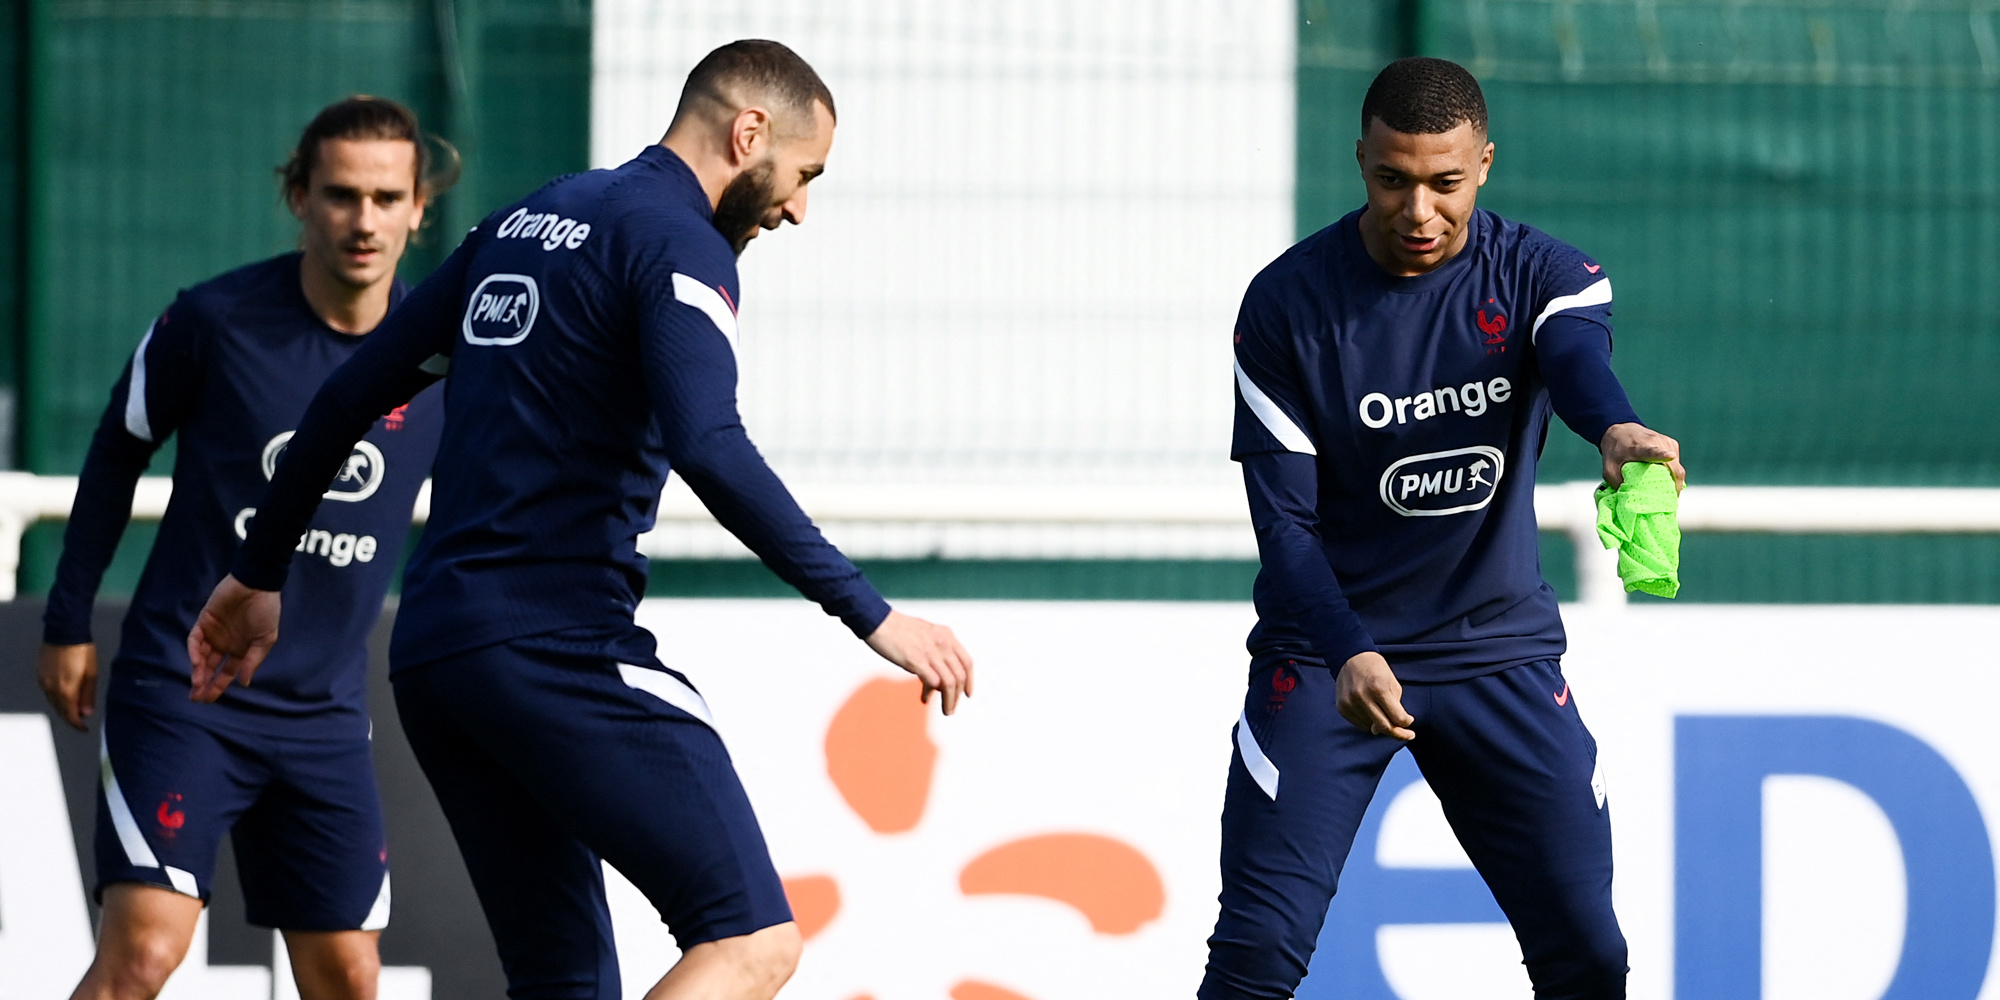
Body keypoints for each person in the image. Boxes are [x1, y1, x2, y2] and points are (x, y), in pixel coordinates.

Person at [186, 40, 974, 1000]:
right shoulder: (678, 241)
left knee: (562, 978)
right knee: (751, 942)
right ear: (749, 132)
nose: (800, 207)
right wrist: (872, 613)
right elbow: (711, 445)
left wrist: (259, 573)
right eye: (805, 175)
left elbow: (347, 397)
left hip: (439, 661)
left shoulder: (523, 221)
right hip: (556, 650)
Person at [1201, 57, 1685, 999]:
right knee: (1255, 960)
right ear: (1361, 162)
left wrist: (1617, 428)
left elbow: (1579, 363)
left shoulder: (1547, 273)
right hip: (1327, 658)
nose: (1417, 209)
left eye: (1444, 182)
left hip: (1496, 654)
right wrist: (1347, 651)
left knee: (1588, 955)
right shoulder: (1286, 307)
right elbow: (1286, 531)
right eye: (1392, 178)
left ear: (1486, 165)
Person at [38, 96, 451, 1000]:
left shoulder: (446, 360)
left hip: (325, 716)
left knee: (349, 977)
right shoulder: (214, 322)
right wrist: (68, 618)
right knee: (143, 954)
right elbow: (116, 452)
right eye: (341, 195)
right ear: (297, 196)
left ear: (421, 207)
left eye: (388, 197)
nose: (364, 220)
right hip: (183, 693)